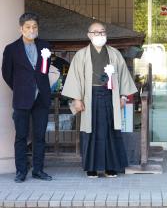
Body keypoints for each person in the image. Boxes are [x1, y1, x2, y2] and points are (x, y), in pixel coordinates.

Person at [62, 22, 137, 178]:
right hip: (90, 97)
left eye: (102, 32)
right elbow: (75, 77)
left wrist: (123, 96)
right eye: (96, 32)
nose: (100, 35)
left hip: (110, 95)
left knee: (111, 130)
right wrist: (77, 98)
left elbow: (123, 75)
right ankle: (92, 167)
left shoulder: (114, 53)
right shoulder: (81, 54)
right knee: (91, 131)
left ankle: (111, 166)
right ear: (89, 35)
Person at [2, 12, 52, 183]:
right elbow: (7, 74)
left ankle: (38, 170)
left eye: (35, 27)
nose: (32, 30)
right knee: (21, 136)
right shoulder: (11, 49)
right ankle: (21, 171)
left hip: (41, 98)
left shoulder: (45, 46)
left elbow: (45, 71)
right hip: (22, 98)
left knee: (39, 136)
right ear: (21, 28)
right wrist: (20, 88)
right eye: (28, 27)